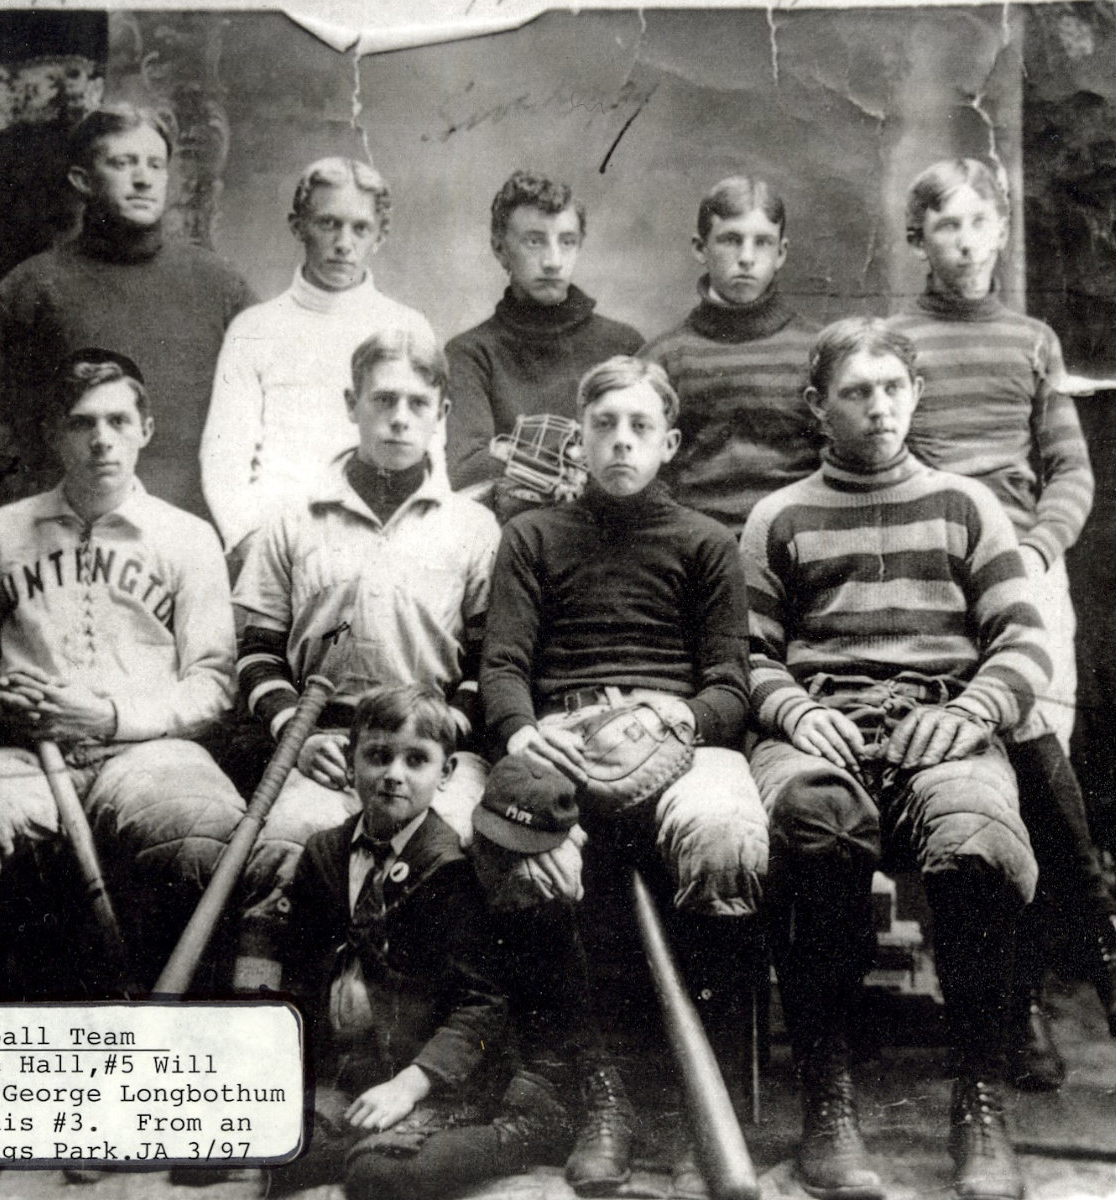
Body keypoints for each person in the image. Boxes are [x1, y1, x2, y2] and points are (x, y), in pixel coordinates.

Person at [744, 318, 1047, 1200]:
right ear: (816, 406)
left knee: (976, 835)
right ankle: (826, 1106)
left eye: (891, 389)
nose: (877, 409)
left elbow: (1022, 642)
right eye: (854, 392)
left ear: (914, 395)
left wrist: (972, 713)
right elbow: (746, 655)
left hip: (937, 721)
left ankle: (979, 1100)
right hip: (819, 727)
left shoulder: (965, 505)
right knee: (815, 825)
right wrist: (795, 711)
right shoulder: (778, 516)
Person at [888, 158, 1116, 1091]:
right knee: (972, 797)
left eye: (978, 224)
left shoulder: (1031, 339)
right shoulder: (892, 344)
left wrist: (1036, 553)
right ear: (916, 240)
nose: (963, 243)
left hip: (1026, 571)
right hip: (933, 573)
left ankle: (1042, 991)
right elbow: (885, 465)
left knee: (1036, 767)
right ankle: (1041, 994)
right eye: (944, 228)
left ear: (1000, 231)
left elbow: (1069, 471)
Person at [481, 355, 769, 1195]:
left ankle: (690, 1095)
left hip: (671, 727)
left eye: (640, 427)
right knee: (527, 846)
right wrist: (524, 733)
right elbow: (501, 665)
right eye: (604, 425)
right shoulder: (531, 536)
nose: (620, 441)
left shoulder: (707, 542)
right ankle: (604, 1091)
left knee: (722, 833)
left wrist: (677, 718)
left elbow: (728, 685)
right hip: (561, 728)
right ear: (579, 438)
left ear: (668, 442)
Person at [0, 350, 245, 989]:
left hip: (151, 754)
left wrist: (112, 717)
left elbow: (213, 681)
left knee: (203, 830)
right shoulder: (2, 531)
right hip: (25, 758)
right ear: (53, 433)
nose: (102, 439)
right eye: (81, 423)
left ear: (146, 430)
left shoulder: (187, 536)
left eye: (119, 421)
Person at [228, 328, 579, 992]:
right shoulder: (292, 521)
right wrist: (292, 738)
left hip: (436, 750)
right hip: (326, 744)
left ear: (441, 414)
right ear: (350, 403)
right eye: (382, 399)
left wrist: (445, 738)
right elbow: (255, 656)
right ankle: (273, 1041)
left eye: (418, 403)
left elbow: (487, 660)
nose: (398, 417)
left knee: (486, 855)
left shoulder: (473, 529)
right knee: (281, 853)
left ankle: (479, 1056)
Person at [239, 686, 576, 1199]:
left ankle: (518, 1134)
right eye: (377, 756)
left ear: (445, 775)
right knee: (263, 1151)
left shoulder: (452, 867)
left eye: (416, 760)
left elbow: (482, 1001)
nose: (394, 773)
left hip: (437, 1079)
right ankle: (351, 1134)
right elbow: (298, 960)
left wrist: (410, 1085)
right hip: (355, 1070)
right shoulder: (325, 852)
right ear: (351, 764)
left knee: (380, 1177)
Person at [0, 105, 256, 519]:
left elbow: (282, 395)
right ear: (82, 180)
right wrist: (31, 490)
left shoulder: (218, 284)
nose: (143, 178)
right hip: (74, 534)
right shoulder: (37, 285)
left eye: (155, 164)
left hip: (197, 532)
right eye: (122, 163)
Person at [201, 157, 436, 557]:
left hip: (383, 535)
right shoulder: (254, 328)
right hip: (275, 537)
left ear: (380, 236)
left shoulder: (407, 327)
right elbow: (225, 451)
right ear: (299, 227)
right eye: (329, 223)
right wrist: (246, 537)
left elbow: (432, 452)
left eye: (360, 228)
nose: (344, 242)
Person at [445, 170, 642, 505]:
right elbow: (467, 470)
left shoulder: (623, 346)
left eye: (567, 242)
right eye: (534, 241)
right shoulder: (471, 353)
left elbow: (643, 457)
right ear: (499, 249)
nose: (553, 262)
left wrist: (510, 452)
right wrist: (580, 456)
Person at [641, 175, 821, 535]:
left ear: (781, 253)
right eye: (730, 240)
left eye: (763, 243)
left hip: (798, 547)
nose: (747, 258)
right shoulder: (662, 359)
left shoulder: (817, 350)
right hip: (696, 551)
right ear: (700, 247)